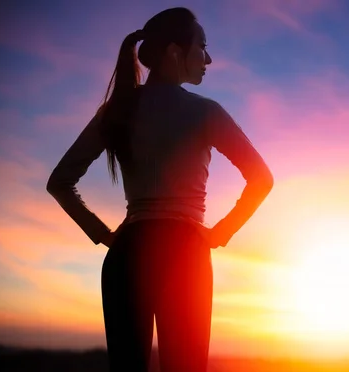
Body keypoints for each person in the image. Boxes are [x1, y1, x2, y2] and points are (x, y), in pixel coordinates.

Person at [46, 7, 274, 372]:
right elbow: (262, 178)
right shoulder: (207, 112)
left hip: (127, 256)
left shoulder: (116, 110)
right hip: (186, 255)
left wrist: (105, 236)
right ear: (173, 51)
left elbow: (59, 182)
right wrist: (218, 234)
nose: (209, 59)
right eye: (202, 47)